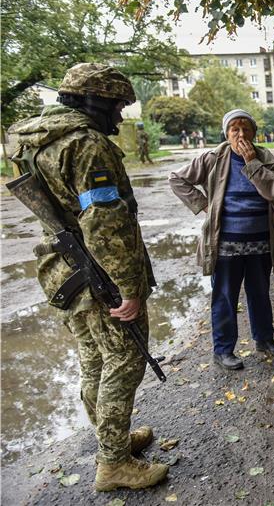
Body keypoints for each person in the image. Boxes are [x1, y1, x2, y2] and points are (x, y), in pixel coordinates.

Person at [8, 63, 168, 490]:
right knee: (124, 361)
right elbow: (104, 223)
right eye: (116, 106)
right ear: (94, 101)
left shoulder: (35, 140)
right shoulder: (85, 144)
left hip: (62, 271)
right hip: (98, 273)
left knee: (95, 359)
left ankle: (110, 440)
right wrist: (129, 289)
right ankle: (113, 463)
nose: (119, 117)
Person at [169, 109, 274, 370]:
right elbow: (177, 179)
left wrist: (252, 164)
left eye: (246, 129)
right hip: (226, 242)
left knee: (260, 293)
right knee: (225, 296)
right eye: (234, 129)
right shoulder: (213, 157)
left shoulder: (263, 156)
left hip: (260, 240)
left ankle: (264, 339)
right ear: (226, 133)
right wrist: (206, 206)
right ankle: (223, 350)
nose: (241, 134)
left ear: (254, 132)